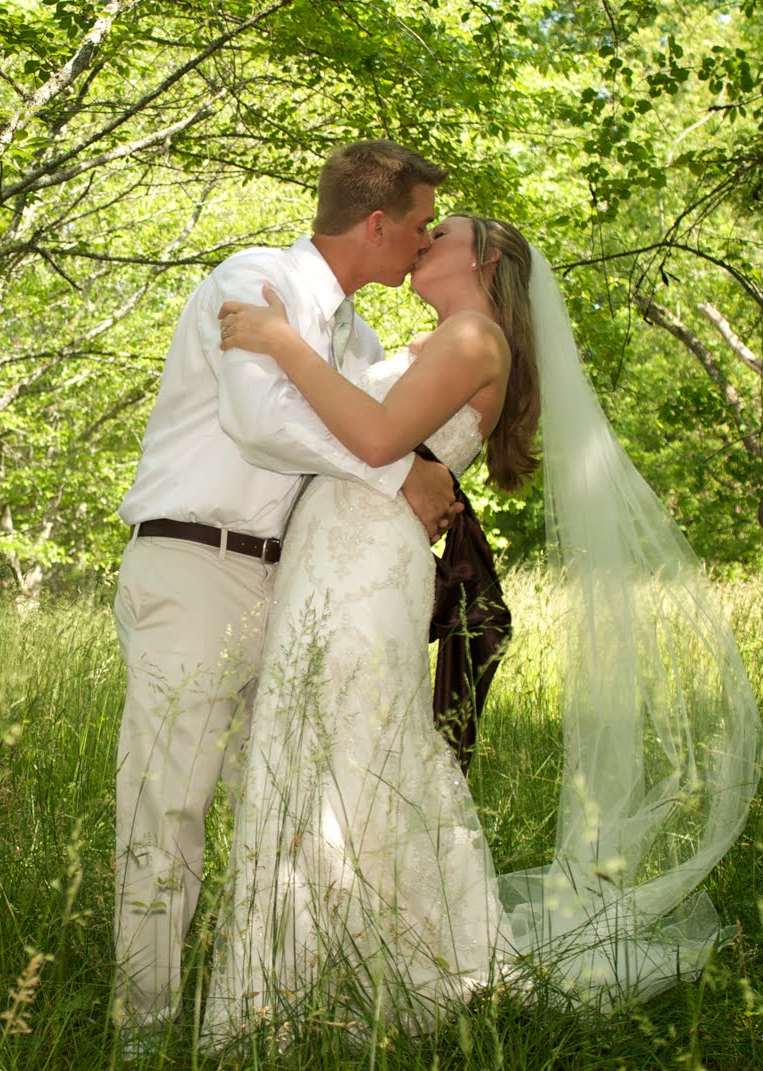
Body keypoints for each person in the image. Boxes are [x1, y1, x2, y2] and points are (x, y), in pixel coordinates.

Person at [200, 215, 763, 1046]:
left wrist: (280, 340)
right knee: (313, 738)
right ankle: (298, 972)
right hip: (333, 552)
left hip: (366, 562)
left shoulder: (474, 336)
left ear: (486, 258)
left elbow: (377, 437)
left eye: (445, 231)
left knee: (357, 738)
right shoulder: (439, 338)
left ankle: (384, 970)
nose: (423, 238)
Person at [111, 141, 460, 1039]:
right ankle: (142, 1028)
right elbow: (260, 419)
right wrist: (398, 475)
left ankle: (273, 1011)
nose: (424, 244)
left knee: (291, 802)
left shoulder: (361, 334)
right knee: (168, 803)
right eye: (419, 226)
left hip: (293, 586)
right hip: (195, 565)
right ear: (375, 223)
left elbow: (363, 427)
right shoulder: (255, 278)